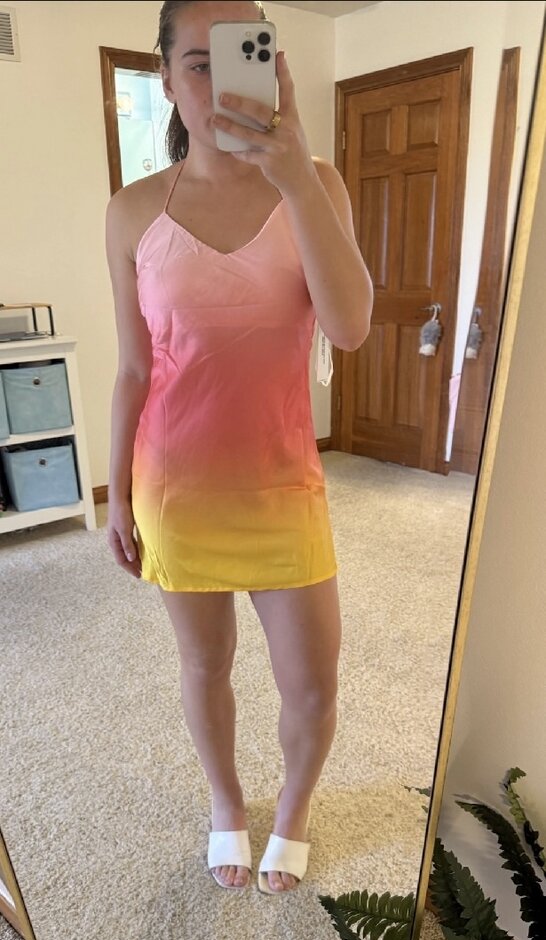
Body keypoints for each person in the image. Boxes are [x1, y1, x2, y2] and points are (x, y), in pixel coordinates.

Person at [106, 0, 373, 894]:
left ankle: (291, 809)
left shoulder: (317, 183)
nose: (223, 83)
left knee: (312, 684)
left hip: (284, 483)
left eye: (244, 55)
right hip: (176, 488)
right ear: (165, 80)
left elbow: (350, 327)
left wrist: (296, 179)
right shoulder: (132, 212)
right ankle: (227, 803)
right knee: (204, 663)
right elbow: (134, 368)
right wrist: (116, 494)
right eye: (199, 63)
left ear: (274, 64)